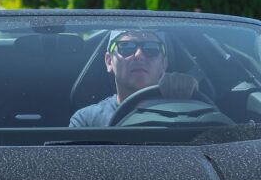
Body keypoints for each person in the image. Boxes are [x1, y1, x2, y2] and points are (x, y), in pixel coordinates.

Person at [68, 30, 199, 127]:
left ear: (164, 65)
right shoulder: (87, 121)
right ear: (109, 62)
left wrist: (190, 99)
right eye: (126, 47)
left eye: (151, 48)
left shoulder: (185, 112)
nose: (139, 55)